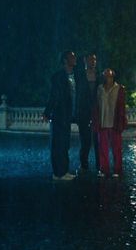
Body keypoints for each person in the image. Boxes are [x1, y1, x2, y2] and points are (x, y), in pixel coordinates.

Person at [43, 50, 78, 181]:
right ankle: (59, 172)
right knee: (58, 144)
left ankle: (62, 171)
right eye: (72, 57)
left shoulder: (74, 76)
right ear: (65, 60)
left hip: (68, 115)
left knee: (64, 144)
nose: (75, 58)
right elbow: (54, 96)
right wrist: (48, 112)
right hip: (59, 115)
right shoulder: (58, 77)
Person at [93, 68, 127, 178]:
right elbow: (96, 106)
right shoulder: (99, 89)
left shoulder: (119, 89)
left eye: (110, 76)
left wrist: (122, 122)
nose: (108, 78)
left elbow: (122, 108)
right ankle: (104, 169)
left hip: (114, 123)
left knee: (117, 148)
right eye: (106, 76)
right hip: (102, 122)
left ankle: (117, 170)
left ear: (113, 77)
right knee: (102, 148)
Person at [77, 53, 100, 172]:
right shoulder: (79, 75)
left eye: (95, 59)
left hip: (97, 111)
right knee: (85, 140)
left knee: (98, 140)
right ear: (85, 60)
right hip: (83, 111)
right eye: (91, 59)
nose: (93, 61)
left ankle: (99, 165)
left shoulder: (99, 76)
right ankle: (84, 165)